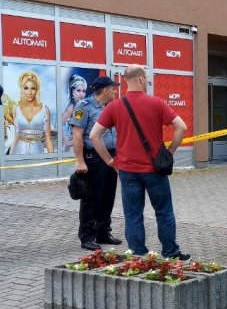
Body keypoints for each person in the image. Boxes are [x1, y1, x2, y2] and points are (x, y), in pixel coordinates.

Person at [90, 65, 189, 260]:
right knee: (164, 212)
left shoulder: (115, 107)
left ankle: (138, 255)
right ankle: (171, 252)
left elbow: (94, 135)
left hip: (127, 170)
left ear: (126, 80)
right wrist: (170, 151)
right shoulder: (156, 103)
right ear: (142, 79)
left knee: (133, 215)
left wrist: (110, 160)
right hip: (155, 169)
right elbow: (181, 127)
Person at [69, 76, 122, 250]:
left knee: (108, 196)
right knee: (91, 199)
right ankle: (87, 236)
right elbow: (77, 135)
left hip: (111, 156)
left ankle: (103, 232)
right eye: (113, 88)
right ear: (105, 90)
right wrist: (80, 161)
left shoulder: (111, 107)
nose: (115, 91)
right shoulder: (84, 107)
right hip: (93, 157)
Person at [10, 70, 53, 155]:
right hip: (19, 151)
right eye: (26, 88)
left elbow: (48, 137)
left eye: (33, 88)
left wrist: (54, 161)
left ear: (37, 89)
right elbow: (16, 136)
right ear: (21, 89)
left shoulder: (45, 109)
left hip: (38, 151)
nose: (29, 92)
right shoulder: (16, 109)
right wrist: (9, 157)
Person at [62, 74, 88, 152]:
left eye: (84, 91)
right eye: (78, 90)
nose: (81, 94)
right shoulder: (71, 107)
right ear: (72, 91)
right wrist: (67, 142)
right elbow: (59, 124)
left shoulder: (84, 105)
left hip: (85, 143)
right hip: (74, 145)